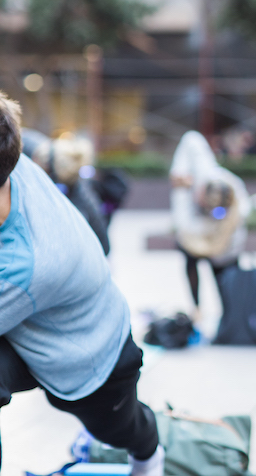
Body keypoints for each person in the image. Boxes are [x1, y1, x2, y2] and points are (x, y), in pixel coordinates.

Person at [0, 92, 163, 473]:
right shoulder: (11, 152)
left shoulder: (28, 265)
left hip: (90, 354)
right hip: (25, 321)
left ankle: (151, 454)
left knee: (123, 429)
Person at [169, 130, 251, 320]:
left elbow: (242, 211)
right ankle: (197, 309)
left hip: (223, 240)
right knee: (190, 261)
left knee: (224, 274)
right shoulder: (186, 189)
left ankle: (232, 315)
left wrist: (222, 229)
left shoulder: (223, 182)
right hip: (197, 236)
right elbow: (183, 222)